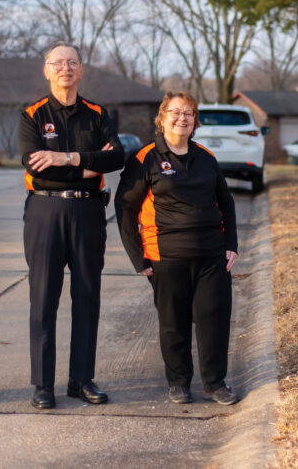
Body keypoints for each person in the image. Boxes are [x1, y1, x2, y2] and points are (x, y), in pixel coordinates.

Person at [115, 90, 240, 406]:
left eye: (189, 113)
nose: (182, 118)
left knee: (213, 319)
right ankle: (179, 382)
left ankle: (215, 383)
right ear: (162, 118)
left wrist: (231, 245)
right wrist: (137, 257)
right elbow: (125, 208)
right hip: (165, 256)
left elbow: (225, 200)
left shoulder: (205, 157)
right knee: (174, 323)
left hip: (212, 255)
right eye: (175, 112)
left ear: (195, 121)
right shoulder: (145, 159)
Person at [20, 42, 125, 409]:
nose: (65, 69)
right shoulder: (32, 114)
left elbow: (116, 158)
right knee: (44, 299)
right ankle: (42, 385)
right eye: (57, 63)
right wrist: (87, 168)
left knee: (86, 297)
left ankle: (81, 379)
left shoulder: (96, 114)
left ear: (81, 71)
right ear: (46, 71)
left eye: (72, 63)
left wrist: (65, 158)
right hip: (45, 214)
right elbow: (35, 167)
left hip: (88, 214)